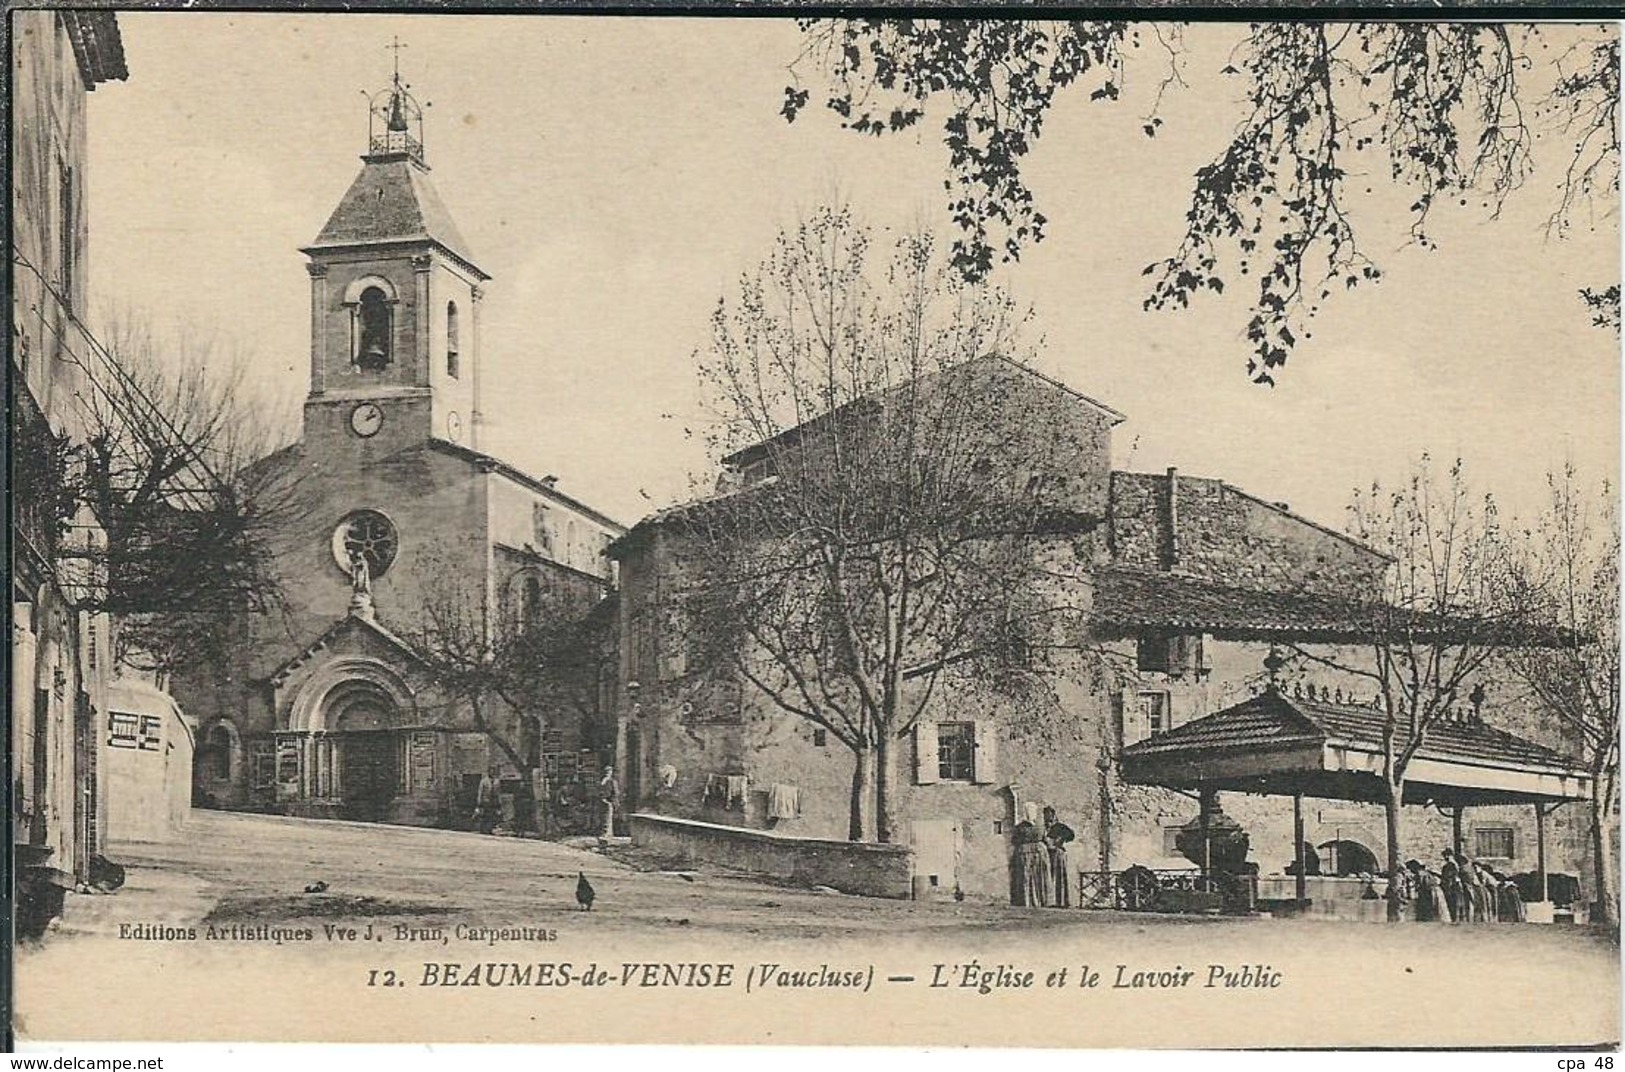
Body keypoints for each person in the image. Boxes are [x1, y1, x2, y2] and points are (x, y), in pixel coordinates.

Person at [1012, 821, 1052, 907]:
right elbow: (1047, 842)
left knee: (1026, 876)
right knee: (1037, 876)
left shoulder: (1020, 828)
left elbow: (1014, 841)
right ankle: (1038, 900)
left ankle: (1027, 900)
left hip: (1025, 852)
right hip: (1037, 852)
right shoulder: (1040, 828)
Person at [1042, 807, 1075, 909]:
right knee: (1049, 876)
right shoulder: (1044, 828)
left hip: (1058, 853)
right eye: (1045, 815)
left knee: (1059, 876)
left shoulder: (1059, 826)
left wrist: (1061, 839)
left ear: (1053, 815)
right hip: (1048, 854)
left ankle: (1061, 901)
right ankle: (1051, 900)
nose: (1047, 817)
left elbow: (1071, 835)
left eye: (1049, 815)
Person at [473, 768, 500, 835]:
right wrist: (479, 802)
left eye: (493, 771)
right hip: (485, 801)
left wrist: (498, 803)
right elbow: (480, 792)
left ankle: (489, 829)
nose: (492, 773)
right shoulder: (484, 781)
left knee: (492, 816)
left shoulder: (497, 781)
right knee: (485, 816)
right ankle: (483, 829)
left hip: (493, 802)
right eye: (491, 771)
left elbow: (498, 793)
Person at [1439, 850, 1463, 922]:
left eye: (1446, 856)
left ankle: (1454, 918)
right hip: (1453, 885)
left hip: (1451, 887)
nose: (1445, 857)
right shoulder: (1455, 864)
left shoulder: (1450, 865)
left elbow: (1448, 877)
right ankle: (1455, 918)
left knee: (1452, 903)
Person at [598, 765, 618, 839]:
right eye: (606, 771)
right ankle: (603, 833)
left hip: (608, 801)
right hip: (602, 802)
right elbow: (600, 790)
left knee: (608, 818)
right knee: (603, 818)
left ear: (611, 772)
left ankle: (606, 834)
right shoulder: (602, 780)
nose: (607, 773)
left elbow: (615, 792)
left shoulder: (612, 781)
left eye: (609, 771)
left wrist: (610, 801)